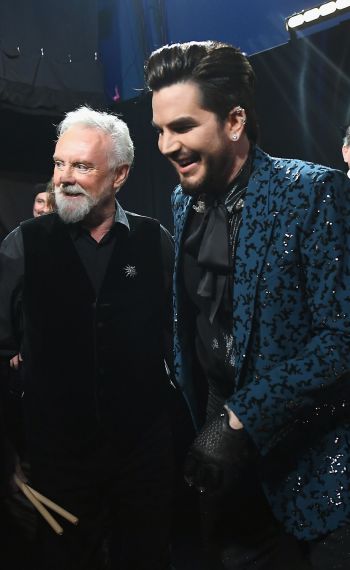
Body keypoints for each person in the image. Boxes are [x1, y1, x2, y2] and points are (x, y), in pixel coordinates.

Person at [145, 40, 350, 569]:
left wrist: (241, 418)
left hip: (315, 473)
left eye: (183, 127)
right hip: (228, 477)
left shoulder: (312, 191)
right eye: (160, 130)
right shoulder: (181, 200)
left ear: (234, 120)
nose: (167, 145)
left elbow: (342, 338)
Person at [0, 106, 175, 570]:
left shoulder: (156, 242)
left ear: (120, 175)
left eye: (81, 166)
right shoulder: (23, 245)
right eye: (60, 164)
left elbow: (178, 344)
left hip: (144, 460)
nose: (64, 178)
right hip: (58, 462)